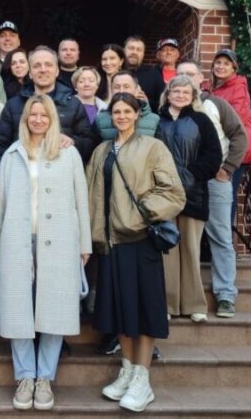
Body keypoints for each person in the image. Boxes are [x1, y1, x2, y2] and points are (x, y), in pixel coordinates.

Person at [0, 95, 92, 412]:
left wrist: (84, 244)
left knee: (54, 309)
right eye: (32, 114)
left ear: (52, 118)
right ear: (25, 118)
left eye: (43, 115)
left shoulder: (68, 152)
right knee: (18, 309)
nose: (37, 119)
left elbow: (81, 199)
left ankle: (45, 377)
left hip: (59, 240)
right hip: (17, 239)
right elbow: (1, 202)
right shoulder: (12, 154)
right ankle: (25, 377)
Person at [87, 93, 185, 413]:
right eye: (116, 111)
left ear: (137, 115)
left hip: (140, 240)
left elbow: (172, 192)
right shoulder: (102, 151)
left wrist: (139, 213)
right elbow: (90, 195)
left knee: (143, 311)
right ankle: (127, 371)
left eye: (127, 111)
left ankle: (143, 379)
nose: (121, 116)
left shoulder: (153, 147)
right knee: (120, 311)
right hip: (109, 243)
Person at [177, 60, 247, 319]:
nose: (185, 78)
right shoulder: (171, 109)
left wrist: (228, 169)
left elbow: (239, 135)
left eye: (190, 74)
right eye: (180, 74)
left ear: (200, 79)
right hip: (184, 183)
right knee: (185, 239)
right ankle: (185, 296)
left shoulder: (215, 104)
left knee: (220, 236)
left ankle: (226, 294)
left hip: (215, 181)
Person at [155, 76, 222, 323]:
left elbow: (213, 155)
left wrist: (192, 175)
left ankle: (195, 304)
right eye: (176, 91)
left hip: (193, 194)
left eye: (186, 92)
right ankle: (168, 304)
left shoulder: (201, 120)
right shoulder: (156, 120)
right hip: (163, 194)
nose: (180, 95)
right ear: (168, 93)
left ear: (192, 96)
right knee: (168, 253)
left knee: (191, 251)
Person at [0, 46, 96, 164]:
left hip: (60, 171)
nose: (43, 69)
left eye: (48, 65)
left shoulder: (73, 104)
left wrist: (73, 141)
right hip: (23, 171)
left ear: (57, 71)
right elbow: (0, 149)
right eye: (37, 65)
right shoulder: (13, 105)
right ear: (30, 73)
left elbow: (89, 143)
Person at [205, 48, 251, 219]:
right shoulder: (212, 88)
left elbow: (237, 120)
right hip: (219, 148)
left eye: (226, 64)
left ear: (234, 68)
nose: (221, 66)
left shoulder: (238, 88)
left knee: (226, 196)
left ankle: (225, 232)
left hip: (235, 150)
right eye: (218, 63)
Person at [94, 71, 159, 140]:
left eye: (126, 87)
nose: (121, 91)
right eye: (117, 87)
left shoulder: (154, 120)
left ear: (136, 90)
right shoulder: (100, 119)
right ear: (111, 90)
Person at [124, 36, 163, 113]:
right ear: (123, 50)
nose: (134, 52)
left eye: (139, 50)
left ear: (143, 54)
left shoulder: (154, 74)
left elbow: (162, 103)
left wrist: (146, 101)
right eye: (131, 48)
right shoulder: (115, 73)